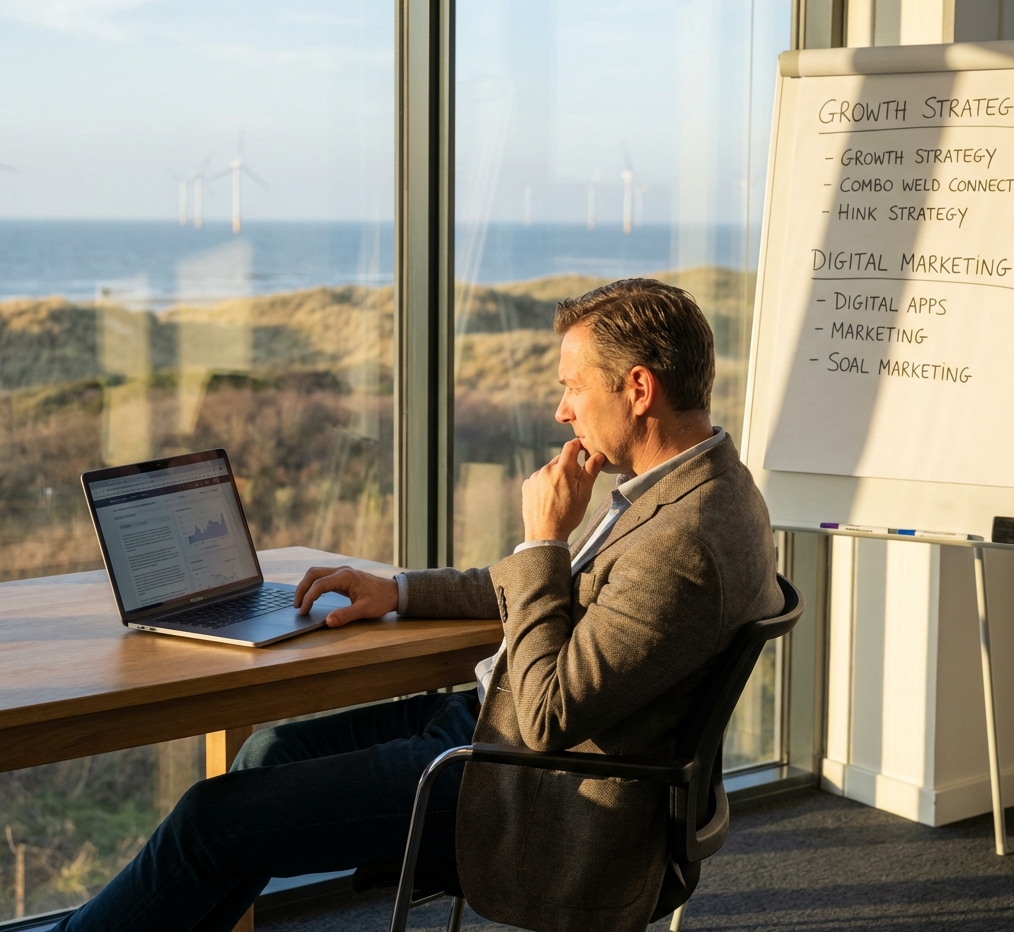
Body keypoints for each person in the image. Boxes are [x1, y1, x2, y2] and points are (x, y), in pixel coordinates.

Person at [55, 278, 781, 932]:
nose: (561, 412)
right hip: (490, 726)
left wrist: (543, 540)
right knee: (266, 752)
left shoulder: (686, 540)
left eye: (573, 388)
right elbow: (556, 596)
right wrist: (397, 590)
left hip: (522, 782)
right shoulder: (692, 482)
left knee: (208, 821)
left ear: (639, 389)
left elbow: (551, 712)